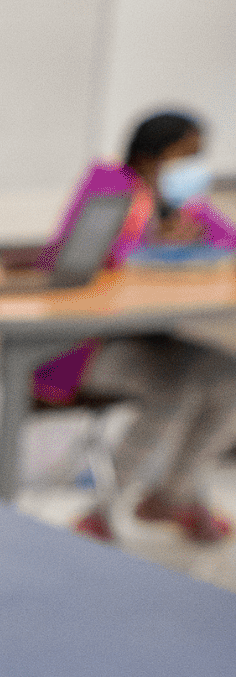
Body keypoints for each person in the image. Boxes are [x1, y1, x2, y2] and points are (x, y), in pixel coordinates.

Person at [33, 110, 236, 543]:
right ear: (149, 157)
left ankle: (172, 496)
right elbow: (81, 258)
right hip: (82, 345)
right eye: (187, 155)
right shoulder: (109, 187)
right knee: (174, 385)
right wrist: (155, 242)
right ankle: (103, 512)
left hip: (147, 338)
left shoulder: (183, 204)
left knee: (228, 378)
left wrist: (193, 238)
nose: (196, 166)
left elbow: (229, 243)